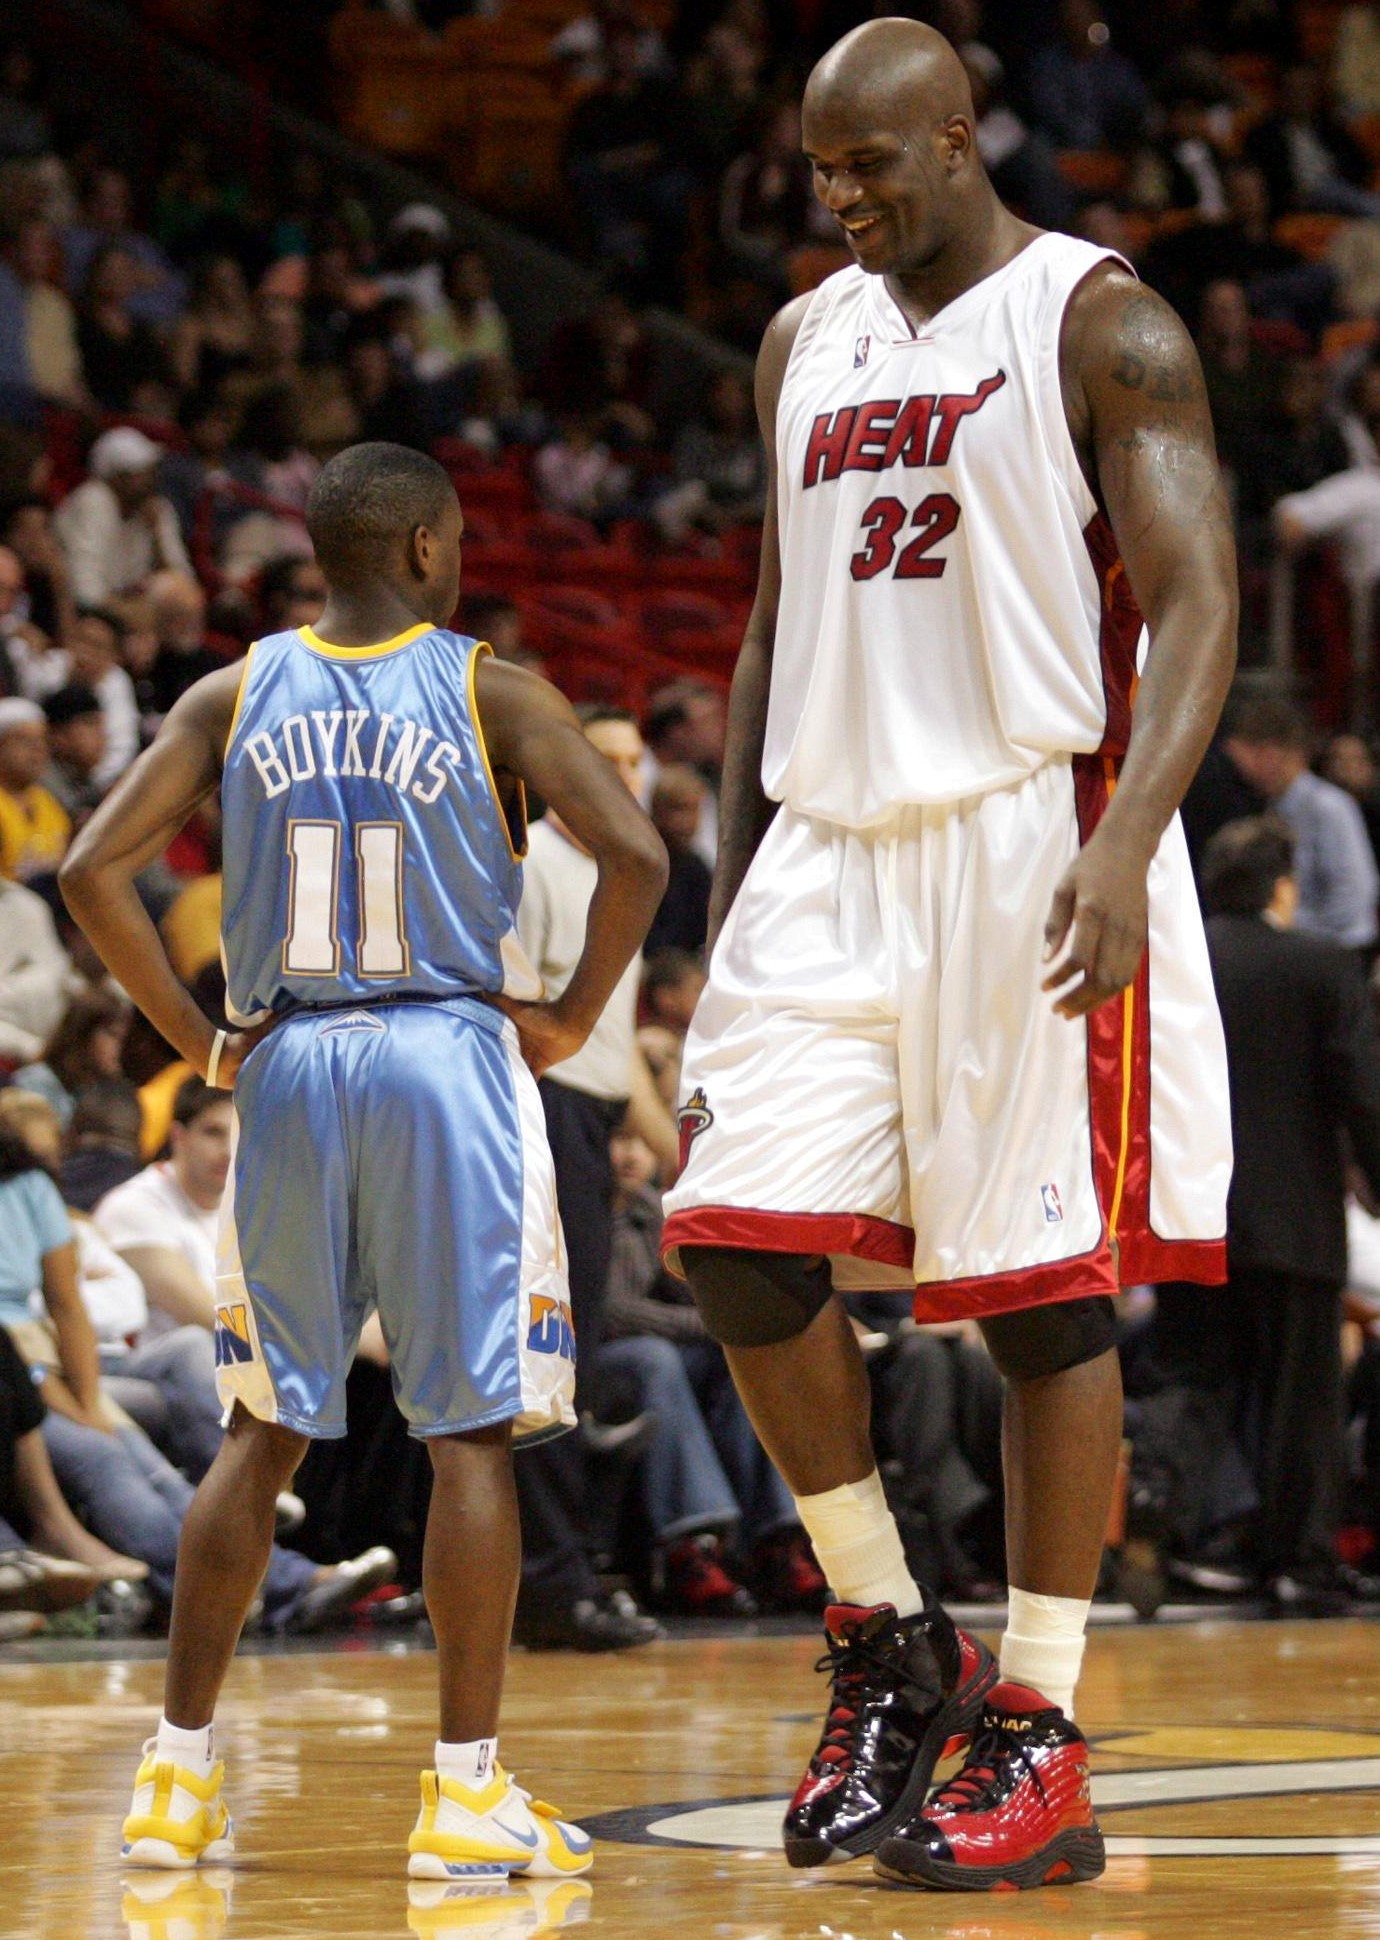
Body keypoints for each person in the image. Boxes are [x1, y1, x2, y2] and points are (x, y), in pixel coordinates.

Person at [660, 18, 1237, 1895]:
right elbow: (767, 625)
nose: (840, 199)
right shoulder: (800, 339)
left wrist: (1133, 836)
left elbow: (1201, 592)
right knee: (735, 1238)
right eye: (820, 171)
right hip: (830, 839)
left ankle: (1044, 1724)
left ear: (959, 141)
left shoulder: (1096, 322)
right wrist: (738, 880)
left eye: (869, 166)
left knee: (1037, 1299)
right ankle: (891, 1635)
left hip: (1024, 824)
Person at [60, 440, 666, 1874]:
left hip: (289, 1063)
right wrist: (575, 1015)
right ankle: (463, 1792)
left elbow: (93, 866)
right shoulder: (489, 689)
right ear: (423, 552)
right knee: (468, 1434)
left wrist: (203, 1040)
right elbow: (637, 852)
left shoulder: (231, 690)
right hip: (444, 1057)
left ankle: (175, 1776)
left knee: (258, 1427)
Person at [1154, 815, 1380, 1612]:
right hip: (1292, 1220)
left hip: (1185, 1210)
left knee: (1196, 1381)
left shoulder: (1171, 961)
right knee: (1300, 1401)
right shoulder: (1322, 966)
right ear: (1283, 886)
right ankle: (1299, 1560)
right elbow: (1362, 1090)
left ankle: (1164, 1525)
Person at [1222, 697, 1379, 952]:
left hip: (1341, 954)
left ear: (1270, 753)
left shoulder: (1329, 807)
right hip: (1301, 949)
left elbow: (1353, 898)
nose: (1240, 772)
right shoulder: (1274, 808)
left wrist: (1279, 931)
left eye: (1244, 758)